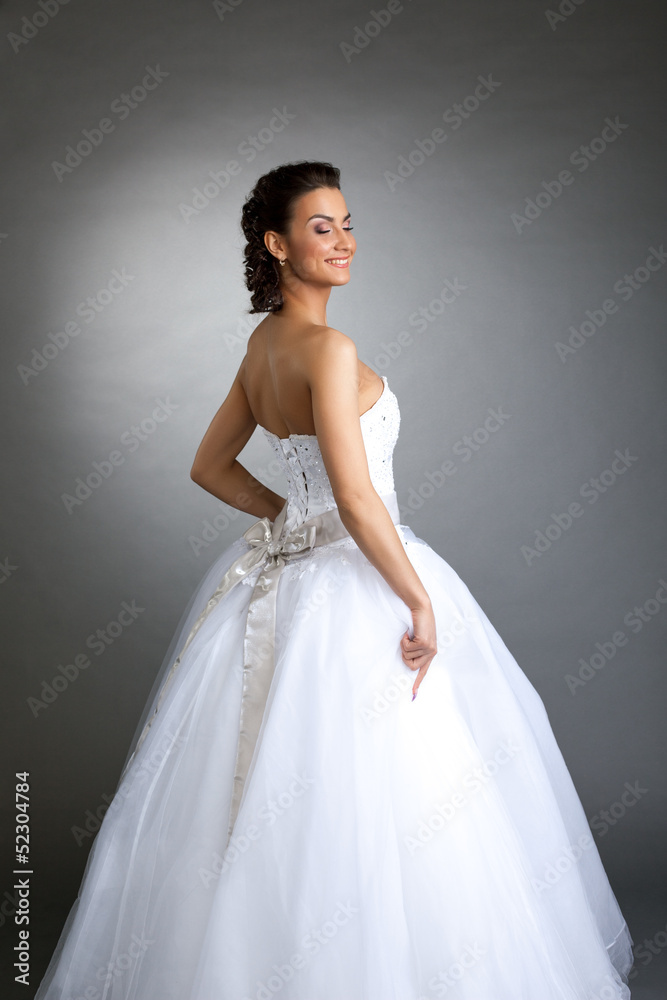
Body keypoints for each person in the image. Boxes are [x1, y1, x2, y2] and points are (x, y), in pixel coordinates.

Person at [35, 160, 634, 1000]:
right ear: (278, 245)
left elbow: (210, 466)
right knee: (397, 800)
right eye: (322, 226)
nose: (344, 239)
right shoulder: (326, 347)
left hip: (285, 589)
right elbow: (354, 498)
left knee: (287, 794)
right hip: (355, 585)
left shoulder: (263, 345)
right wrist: (418, 598)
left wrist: (290, 515)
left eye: (349, 222)